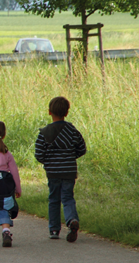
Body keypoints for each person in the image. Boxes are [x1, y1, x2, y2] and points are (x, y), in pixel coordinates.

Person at [34, 96, 86, 242]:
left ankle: (54, 230)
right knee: (68, 197)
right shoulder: (72, 130)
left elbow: (39, 154)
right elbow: (82, 148)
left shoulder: (44, 132)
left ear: (49, 112)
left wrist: (48, 161)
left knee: (54, 199)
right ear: (67, 113)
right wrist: (70, 157)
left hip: (53, 172)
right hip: (69, 171)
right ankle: (71, 220)